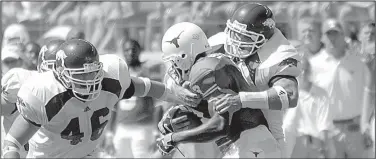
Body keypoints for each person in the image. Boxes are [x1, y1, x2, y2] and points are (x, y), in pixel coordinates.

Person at [2, 39, 200, 158]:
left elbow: (144, 86)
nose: (89, 81)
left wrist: (176, 94)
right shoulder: (44, 93)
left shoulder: (111, 78)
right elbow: (12, 142)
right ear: (61, 75)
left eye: (92, 73)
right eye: (81, 76)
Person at [157, 22, 279, 158]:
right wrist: (188, 111)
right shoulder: (210, 62)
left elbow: (220, 126)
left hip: (250, 143)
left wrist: (175, 138)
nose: (174, 67)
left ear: (185, 55)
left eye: (174, 61)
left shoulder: (202, 69)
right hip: (249, 143)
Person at [212, 3, 302, 157]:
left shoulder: (279, 54)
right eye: (235, 33)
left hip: (266, 143)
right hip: (228, 138)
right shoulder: (222, 42)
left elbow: (289, 95)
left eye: (244, 36)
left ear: (263, 38)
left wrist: (241, 100)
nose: (236, 40)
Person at [309, 18, 371, 158]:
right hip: (327, 132)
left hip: (355, 129)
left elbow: (369, 95)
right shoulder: (313, 65)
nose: (332, 38)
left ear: (344, 36)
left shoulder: (359, 62)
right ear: (322, 38)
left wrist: (366, 126)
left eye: (336, 34)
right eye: (328, 34)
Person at [1, 39, 65, 158]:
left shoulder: (80, 92)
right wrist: (20, 105)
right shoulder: (22, 81)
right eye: (54, 68)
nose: (57, 75)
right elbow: (4, 108)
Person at [102, 39, 164, 158]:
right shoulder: (118, 73)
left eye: (133, 49)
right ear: (122, 52)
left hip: (143, 128)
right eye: (127, 50)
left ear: (140, 51)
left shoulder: (148, 73)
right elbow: (113, 107)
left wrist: (157, 133)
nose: (130, 53)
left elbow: (158, 105)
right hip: (121, 128)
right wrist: (109, 134)